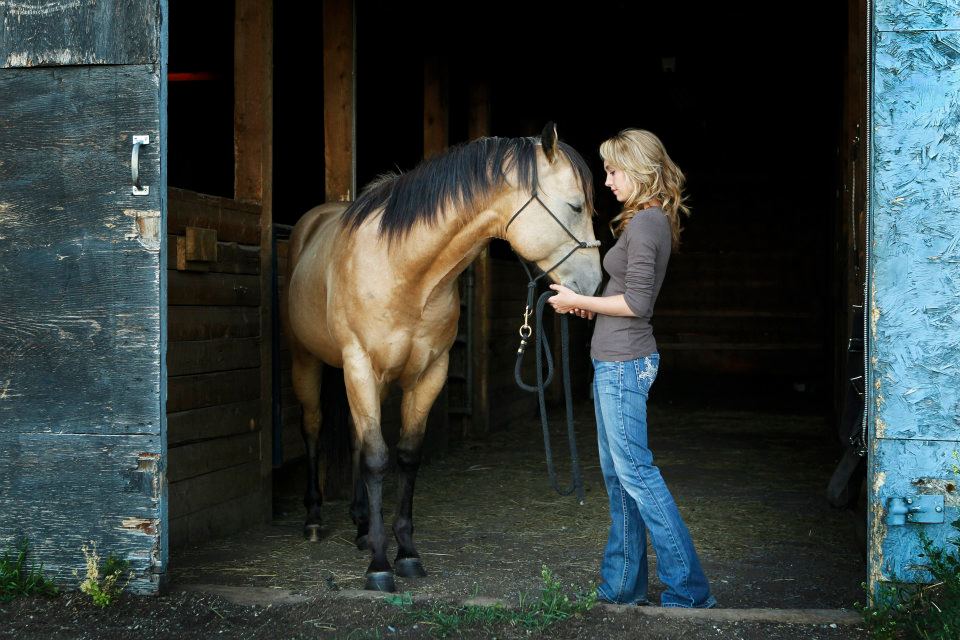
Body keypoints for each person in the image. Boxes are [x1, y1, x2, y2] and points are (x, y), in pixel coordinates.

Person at [548, 129, 716, 608]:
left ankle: (689, 590)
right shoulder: (646, 221)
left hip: (624, 363)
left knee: (637, 475)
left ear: (639, 170)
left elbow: (639, 303)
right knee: (621, 479)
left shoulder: (646, 224)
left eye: (613, 171)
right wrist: (591, 305)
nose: (607, 181)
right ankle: (623, 587)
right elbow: (624, 296)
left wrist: (580, 299)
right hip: (613, 360)